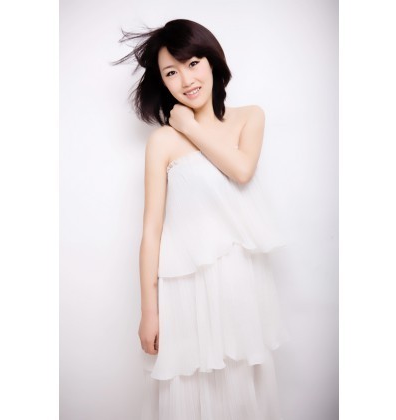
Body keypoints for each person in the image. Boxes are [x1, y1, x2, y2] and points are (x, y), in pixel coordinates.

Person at [115, 19, 291, 420]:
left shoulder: (249, 118)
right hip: (185, 291)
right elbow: (151, 231)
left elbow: (241, 170)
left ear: (212, 62)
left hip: (241, 284)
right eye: (171, 73)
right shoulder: (162, 142)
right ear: (163, 83)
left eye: (193, 64)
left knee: (241, 391)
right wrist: (148, 310)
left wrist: (191, 127)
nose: (186, 80)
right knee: (190, 394)